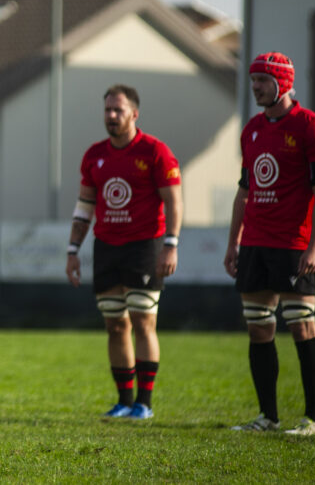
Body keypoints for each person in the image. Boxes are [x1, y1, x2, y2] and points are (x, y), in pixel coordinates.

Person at [224, 52, 315, 436]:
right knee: (258, 327)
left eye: (262, 81)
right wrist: (232, 243)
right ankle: (268, 418)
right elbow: (244, 191)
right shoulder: (252, 129)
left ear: (283, 83)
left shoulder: (313, 128)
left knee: (302, 326)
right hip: (255, 243)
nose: (255, 87)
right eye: (253, 80)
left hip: (294, 244)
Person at [66, 85, 182, 420]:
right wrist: (73, 250)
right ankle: (124, 401)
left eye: (118, 110)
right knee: (115, 326)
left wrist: (171, 244)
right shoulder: (94, 155)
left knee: (143, 321)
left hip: (145, 247)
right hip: (106, 248)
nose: (112, 116)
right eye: (107, 110)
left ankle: (144, 403)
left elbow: (174, 201)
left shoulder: (155, 152)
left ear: (134, 113)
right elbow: (84, 206)